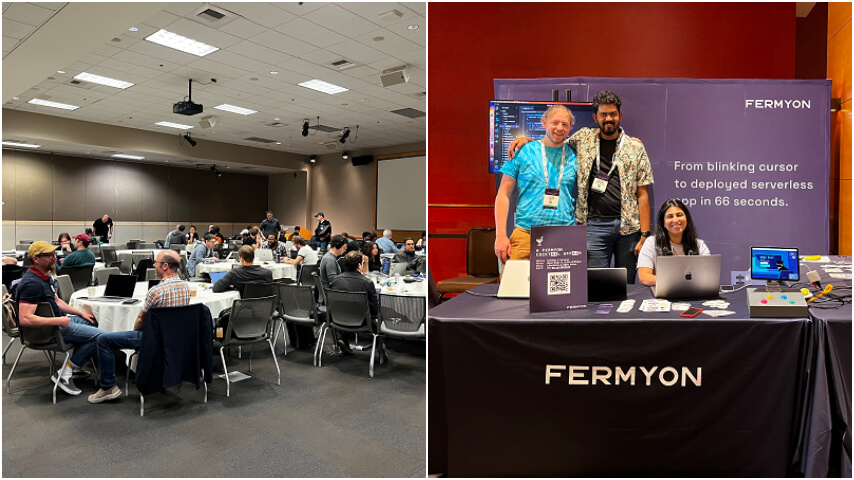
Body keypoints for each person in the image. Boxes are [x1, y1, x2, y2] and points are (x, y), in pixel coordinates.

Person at [510, 91, 654, 282]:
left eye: (613, 114)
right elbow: (554, 141)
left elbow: (642, 194)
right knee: (595, 285)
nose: (608, 118)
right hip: (593, 226)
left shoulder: (635, 148)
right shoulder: (583, 138)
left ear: (620, 116)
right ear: (596, 117)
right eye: (603, 114)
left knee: (625, 284)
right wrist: (527, 141)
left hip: (628, 229)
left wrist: (644, 235)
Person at [87, 250, 189, 403]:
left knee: (103, 340)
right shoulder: (185, 288)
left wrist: (133, 332)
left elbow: (141, 319)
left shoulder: (156, 291)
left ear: (165, 266)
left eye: (156, 262)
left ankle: (108, 387)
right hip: (174, 338)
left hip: (153, 339)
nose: (154, 265)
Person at [15, 241, 103, 395]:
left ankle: (75, 366)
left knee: (92, 321)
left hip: (57, 324)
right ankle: (66, 373)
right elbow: (25, 319)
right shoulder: (32, 283)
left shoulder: (44, 277)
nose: (54, 258)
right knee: (100, 337)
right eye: (49, 255)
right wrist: (59, 320)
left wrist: (80, 313)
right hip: (50, 331)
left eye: (53, 254)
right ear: (36, 259)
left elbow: (56, 301)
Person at [495, 104, 578, 263]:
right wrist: (500, 235)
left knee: (561, 288)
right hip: (525, 235)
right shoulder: (522, 151)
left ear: (570, 128)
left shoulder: (575, 155)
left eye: (565, 124)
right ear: (544, 122)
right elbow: (503, 195)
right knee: (515, 288)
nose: (559, 128)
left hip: (564, 237)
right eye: (554, 122)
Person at [637, 199, 710, 286]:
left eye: (679, 215)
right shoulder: (651, 243)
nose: (675, 220)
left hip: (692, 293)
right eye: (670, 216)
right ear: (663, 222)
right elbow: (644, 277)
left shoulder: (699, 245)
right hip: (663, 295)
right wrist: (674, 281)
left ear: (686, 219)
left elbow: (708, 277)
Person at [330, 251, 381, 358]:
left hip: (339, 320)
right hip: (361, 322)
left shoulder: (336, 280)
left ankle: (343, 338)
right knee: (379, 320)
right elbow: (374, 309)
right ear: (359, 265)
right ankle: (381, 349)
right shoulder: (367, 282)